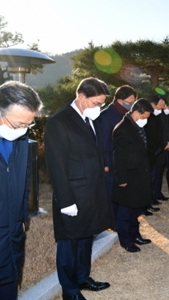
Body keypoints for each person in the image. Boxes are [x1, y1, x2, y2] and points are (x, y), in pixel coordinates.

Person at [44, 77, 114, 300]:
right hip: (73, 196)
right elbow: (56, 165)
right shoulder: (59, 122)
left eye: (102, 104)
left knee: (86, 240)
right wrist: (65, 202)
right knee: (69, 246)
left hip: (91, 193)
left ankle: (83, 277)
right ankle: (70, 291)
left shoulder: (91, 119)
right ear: (81, 97)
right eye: (96, 103)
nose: (99, 108)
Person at [0, 82, 42, 300]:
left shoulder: (18, 136)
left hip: (10, 245)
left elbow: (23, 178)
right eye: (18, 124)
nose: (22, 130)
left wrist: (21, 216)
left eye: (28, 124)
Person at [112, 99, 153, 253]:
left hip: (140, 174)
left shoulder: (137, 127)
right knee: (125, 211)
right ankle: (126, 240)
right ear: (136, 113)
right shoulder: (122, 129)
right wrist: (121, 179)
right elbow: (119, 157)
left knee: (136, 209)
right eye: (144, 117)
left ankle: (135, 234)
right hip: (128, 177)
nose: (146, 121)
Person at [98, 85, 137, 225]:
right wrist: (106, 164)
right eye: (129, 102)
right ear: (119, 100)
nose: (131, 105)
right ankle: (113, 222)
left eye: (133, 102)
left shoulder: (127, 115)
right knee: (112, 195)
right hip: (112, 164)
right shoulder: (106, 116)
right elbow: (104, 143)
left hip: (124, 162)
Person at [146, 94, 169, 203]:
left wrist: (168, 142)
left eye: (162, 107)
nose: (161, 109)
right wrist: (158, 147)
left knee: (159, 175)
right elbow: (149, 136)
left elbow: (166, 130)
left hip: (162, 150)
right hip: (152, 152)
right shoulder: (148, 116)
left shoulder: (162, 115)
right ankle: (150, 197)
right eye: (159, 107)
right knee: (152, 176)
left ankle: (157, 193)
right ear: (152, 104)